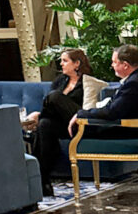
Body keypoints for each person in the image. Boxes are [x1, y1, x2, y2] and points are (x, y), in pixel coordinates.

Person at [26, 47, 91, 196]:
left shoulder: (87, 82)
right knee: (45, 125)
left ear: (76, 64)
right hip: (61, 125)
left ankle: (37, 123)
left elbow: (87, 107)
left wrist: (39, 114)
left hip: (78, 121)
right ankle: (43, 180)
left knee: (54, 97)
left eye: (65, 61)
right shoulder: (60, 81)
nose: (61, 64)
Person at [68, 44, 138, 142]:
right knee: (47, 123)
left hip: (119, 130)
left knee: (55, 100)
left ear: (125, 65)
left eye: (114, 62)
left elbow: (112, 112)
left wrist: (81, 114)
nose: (112, 65)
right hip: (118, 125)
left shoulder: (133, 83)